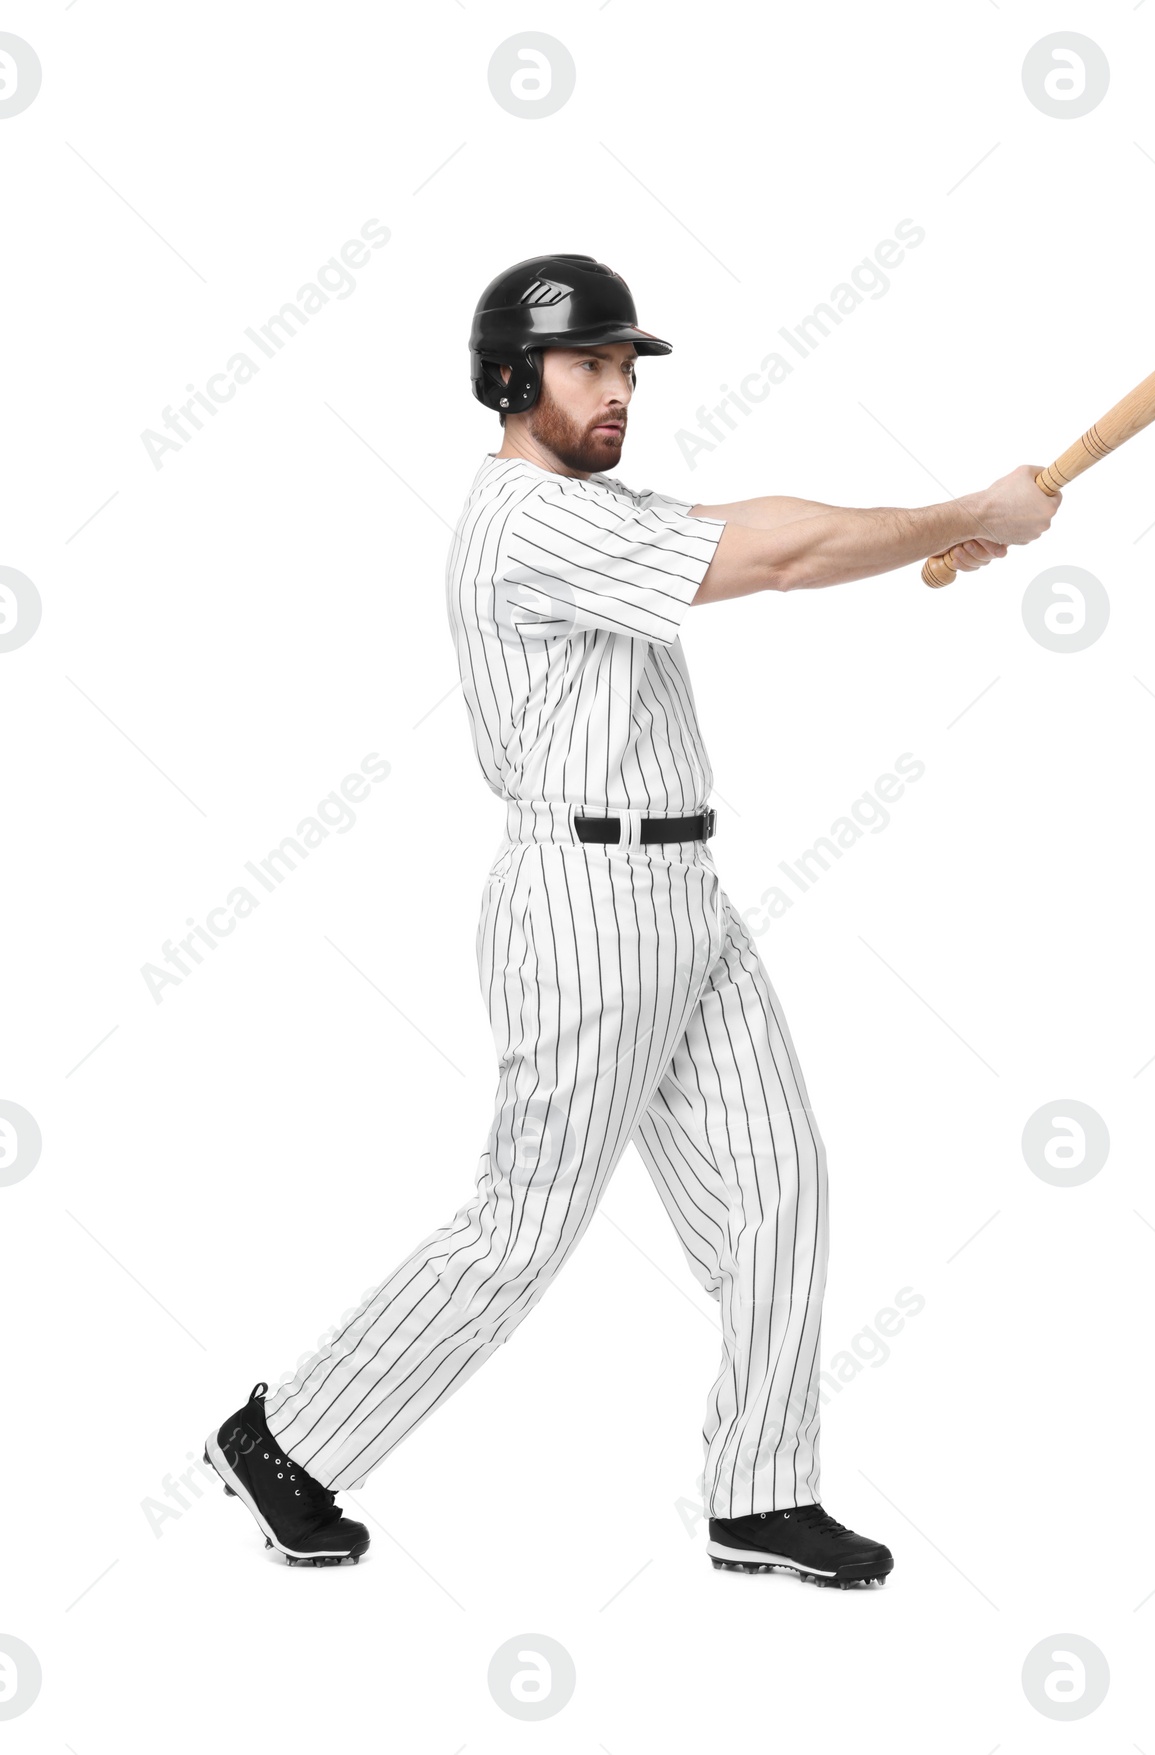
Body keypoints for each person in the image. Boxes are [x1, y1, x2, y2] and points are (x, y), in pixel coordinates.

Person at [203, 253, 1058, 1588]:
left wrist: (930, 539)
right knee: (523, 1229)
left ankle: (762, 1496)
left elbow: (758, 526)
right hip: (582, 908)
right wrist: (966, 506)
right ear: (508, 377)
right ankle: (286, 1435)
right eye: (587, 366)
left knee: (781, 1187)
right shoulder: (525, 518)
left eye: (625, 368)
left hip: (683, 895)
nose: (616, 391)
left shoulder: (598, 516)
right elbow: (774, 557)